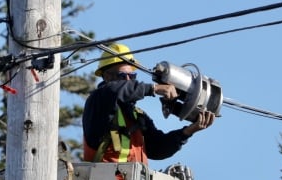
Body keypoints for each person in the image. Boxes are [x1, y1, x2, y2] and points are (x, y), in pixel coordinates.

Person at [83, 43, 214, 164]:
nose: (129, 80)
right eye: (123, 76)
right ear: (107, 76)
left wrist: (188, 131)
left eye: (132, 76)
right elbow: (115, 91)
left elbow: (157, 149)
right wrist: (153, 88)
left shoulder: (136, 115)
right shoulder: (98, 100)